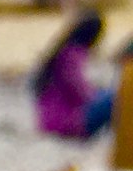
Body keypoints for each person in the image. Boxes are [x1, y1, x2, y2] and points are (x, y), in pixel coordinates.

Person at [33, 9, 114, 140]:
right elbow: (79, 92)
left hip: (49, 120)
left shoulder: (61, 51)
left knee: (108, 93)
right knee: (116, 96)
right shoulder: (72, 55)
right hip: (67, 122)